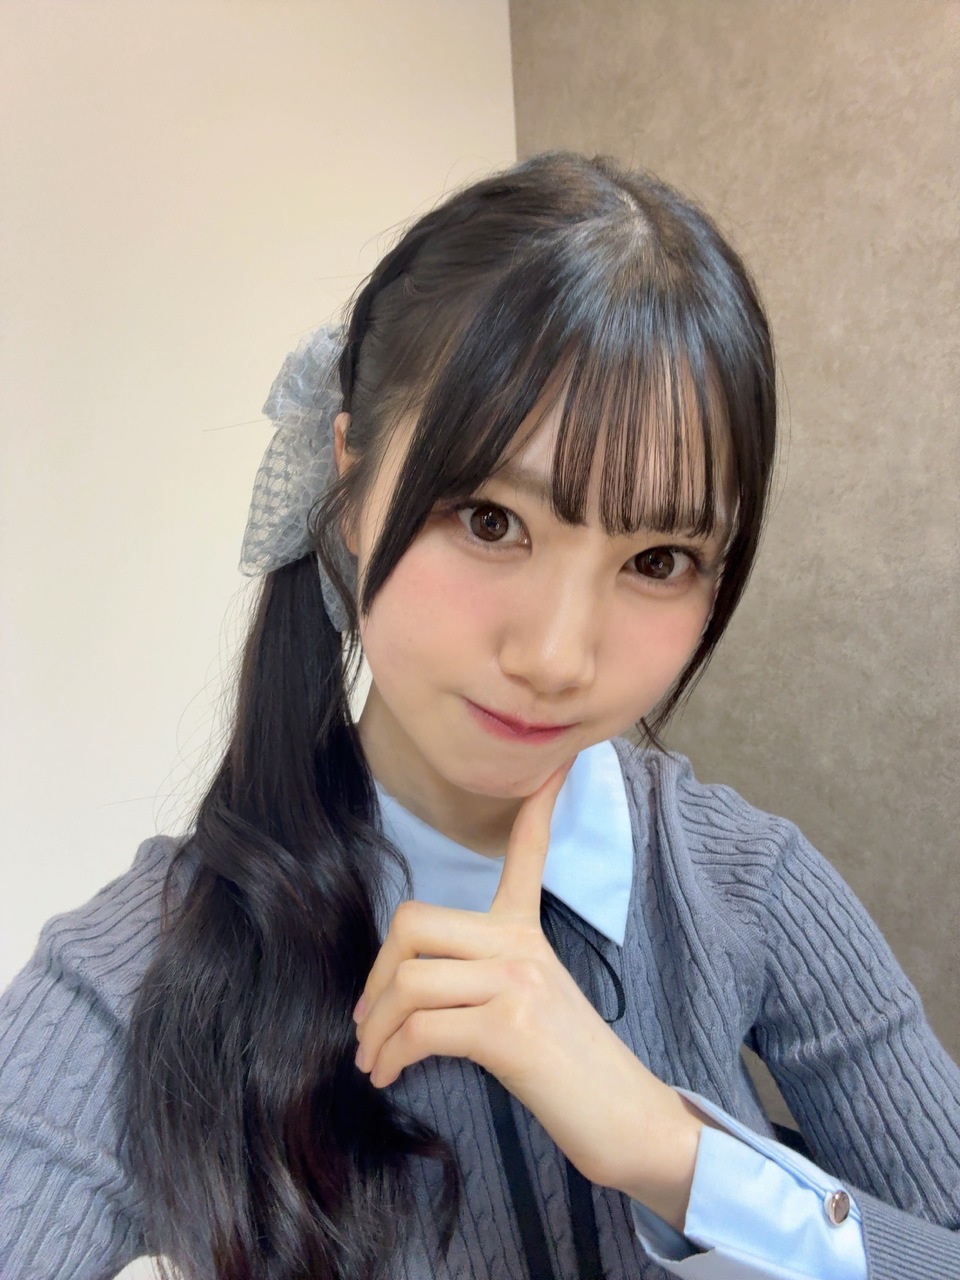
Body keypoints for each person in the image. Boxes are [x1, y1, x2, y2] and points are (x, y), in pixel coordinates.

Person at [0, 152, 957, 1280]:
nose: (556, 658)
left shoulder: (750, 885)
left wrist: (674, 1152)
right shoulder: (133, 976)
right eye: (491, 519)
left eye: (657, 558)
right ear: (351, 484)